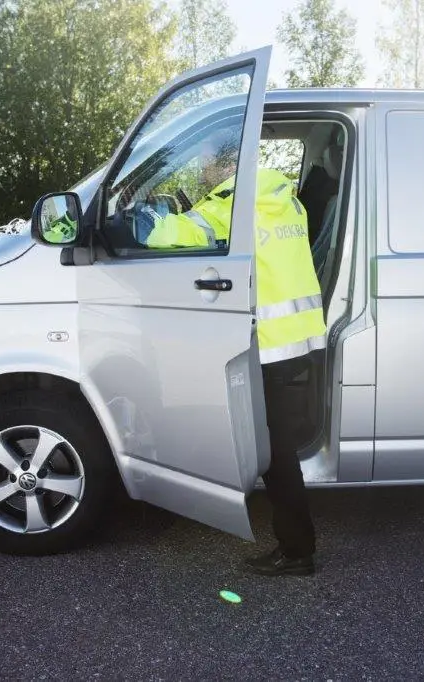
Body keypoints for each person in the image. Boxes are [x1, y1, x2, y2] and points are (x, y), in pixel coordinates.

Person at [139, 130, 326, 577]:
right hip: (298, 337)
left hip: (268, 344)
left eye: (207, 163)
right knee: (275, 447)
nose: (203, 173)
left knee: (273, 453)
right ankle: (296, 546)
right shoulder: (284, 195)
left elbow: (170, 234)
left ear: (226, 165)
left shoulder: (234, 201)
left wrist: (142, 215)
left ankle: (298, 551)